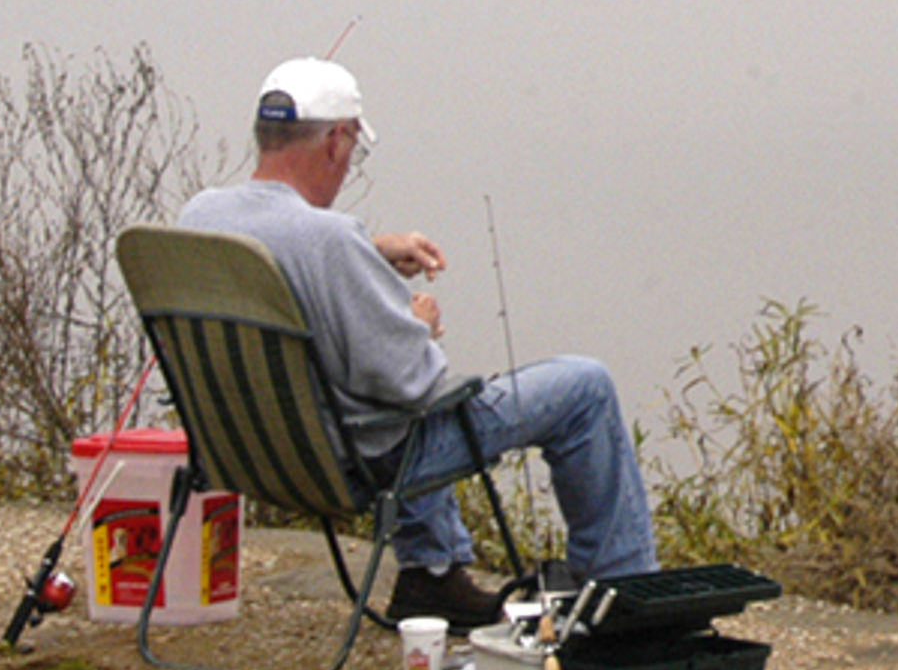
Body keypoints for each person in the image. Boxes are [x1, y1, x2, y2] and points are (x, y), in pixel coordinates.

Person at [177, 56, 656, 630]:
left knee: (394, 398)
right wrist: (417, 322)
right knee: (582, 385)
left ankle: (432, 578)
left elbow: (284, 270)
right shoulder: (329, 239)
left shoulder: (202, 215)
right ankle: (626, 593)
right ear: (336, 140)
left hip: (247, 455)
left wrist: (372, 257)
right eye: (352, 150)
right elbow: (411, 378)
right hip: (353, 464)